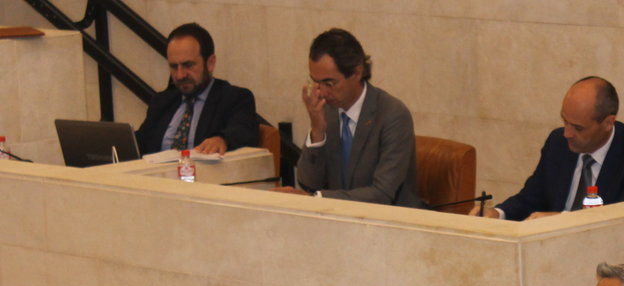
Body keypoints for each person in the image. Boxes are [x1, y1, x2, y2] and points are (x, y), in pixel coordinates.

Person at [474, 77, 624, 220]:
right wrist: (497, 213)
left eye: (578, 128)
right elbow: (531, 198)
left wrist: (560, 220)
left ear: (608, 123)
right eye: (565, 121)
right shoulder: (557, 143)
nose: (567, 133)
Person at [279, 29, 420, 207]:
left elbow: (382, 194)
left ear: (356, 72)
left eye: (330, 83)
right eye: (316, 82)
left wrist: (316, 199)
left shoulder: (392, 115)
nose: (321, 92)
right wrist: (317, 131)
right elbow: (308, 183)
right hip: (338, 221)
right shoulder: (327, 111)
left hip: (389, 223)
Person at [135, 23, 258, 156]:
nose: (180, 75)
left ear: (210, 63)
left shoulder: (234, 98)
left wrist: (221, 139)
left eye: (188, 65)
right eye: (174, 67)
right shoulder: (162, 102)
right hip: (157, 174)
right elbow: (139, 144)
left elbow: (243, 130)